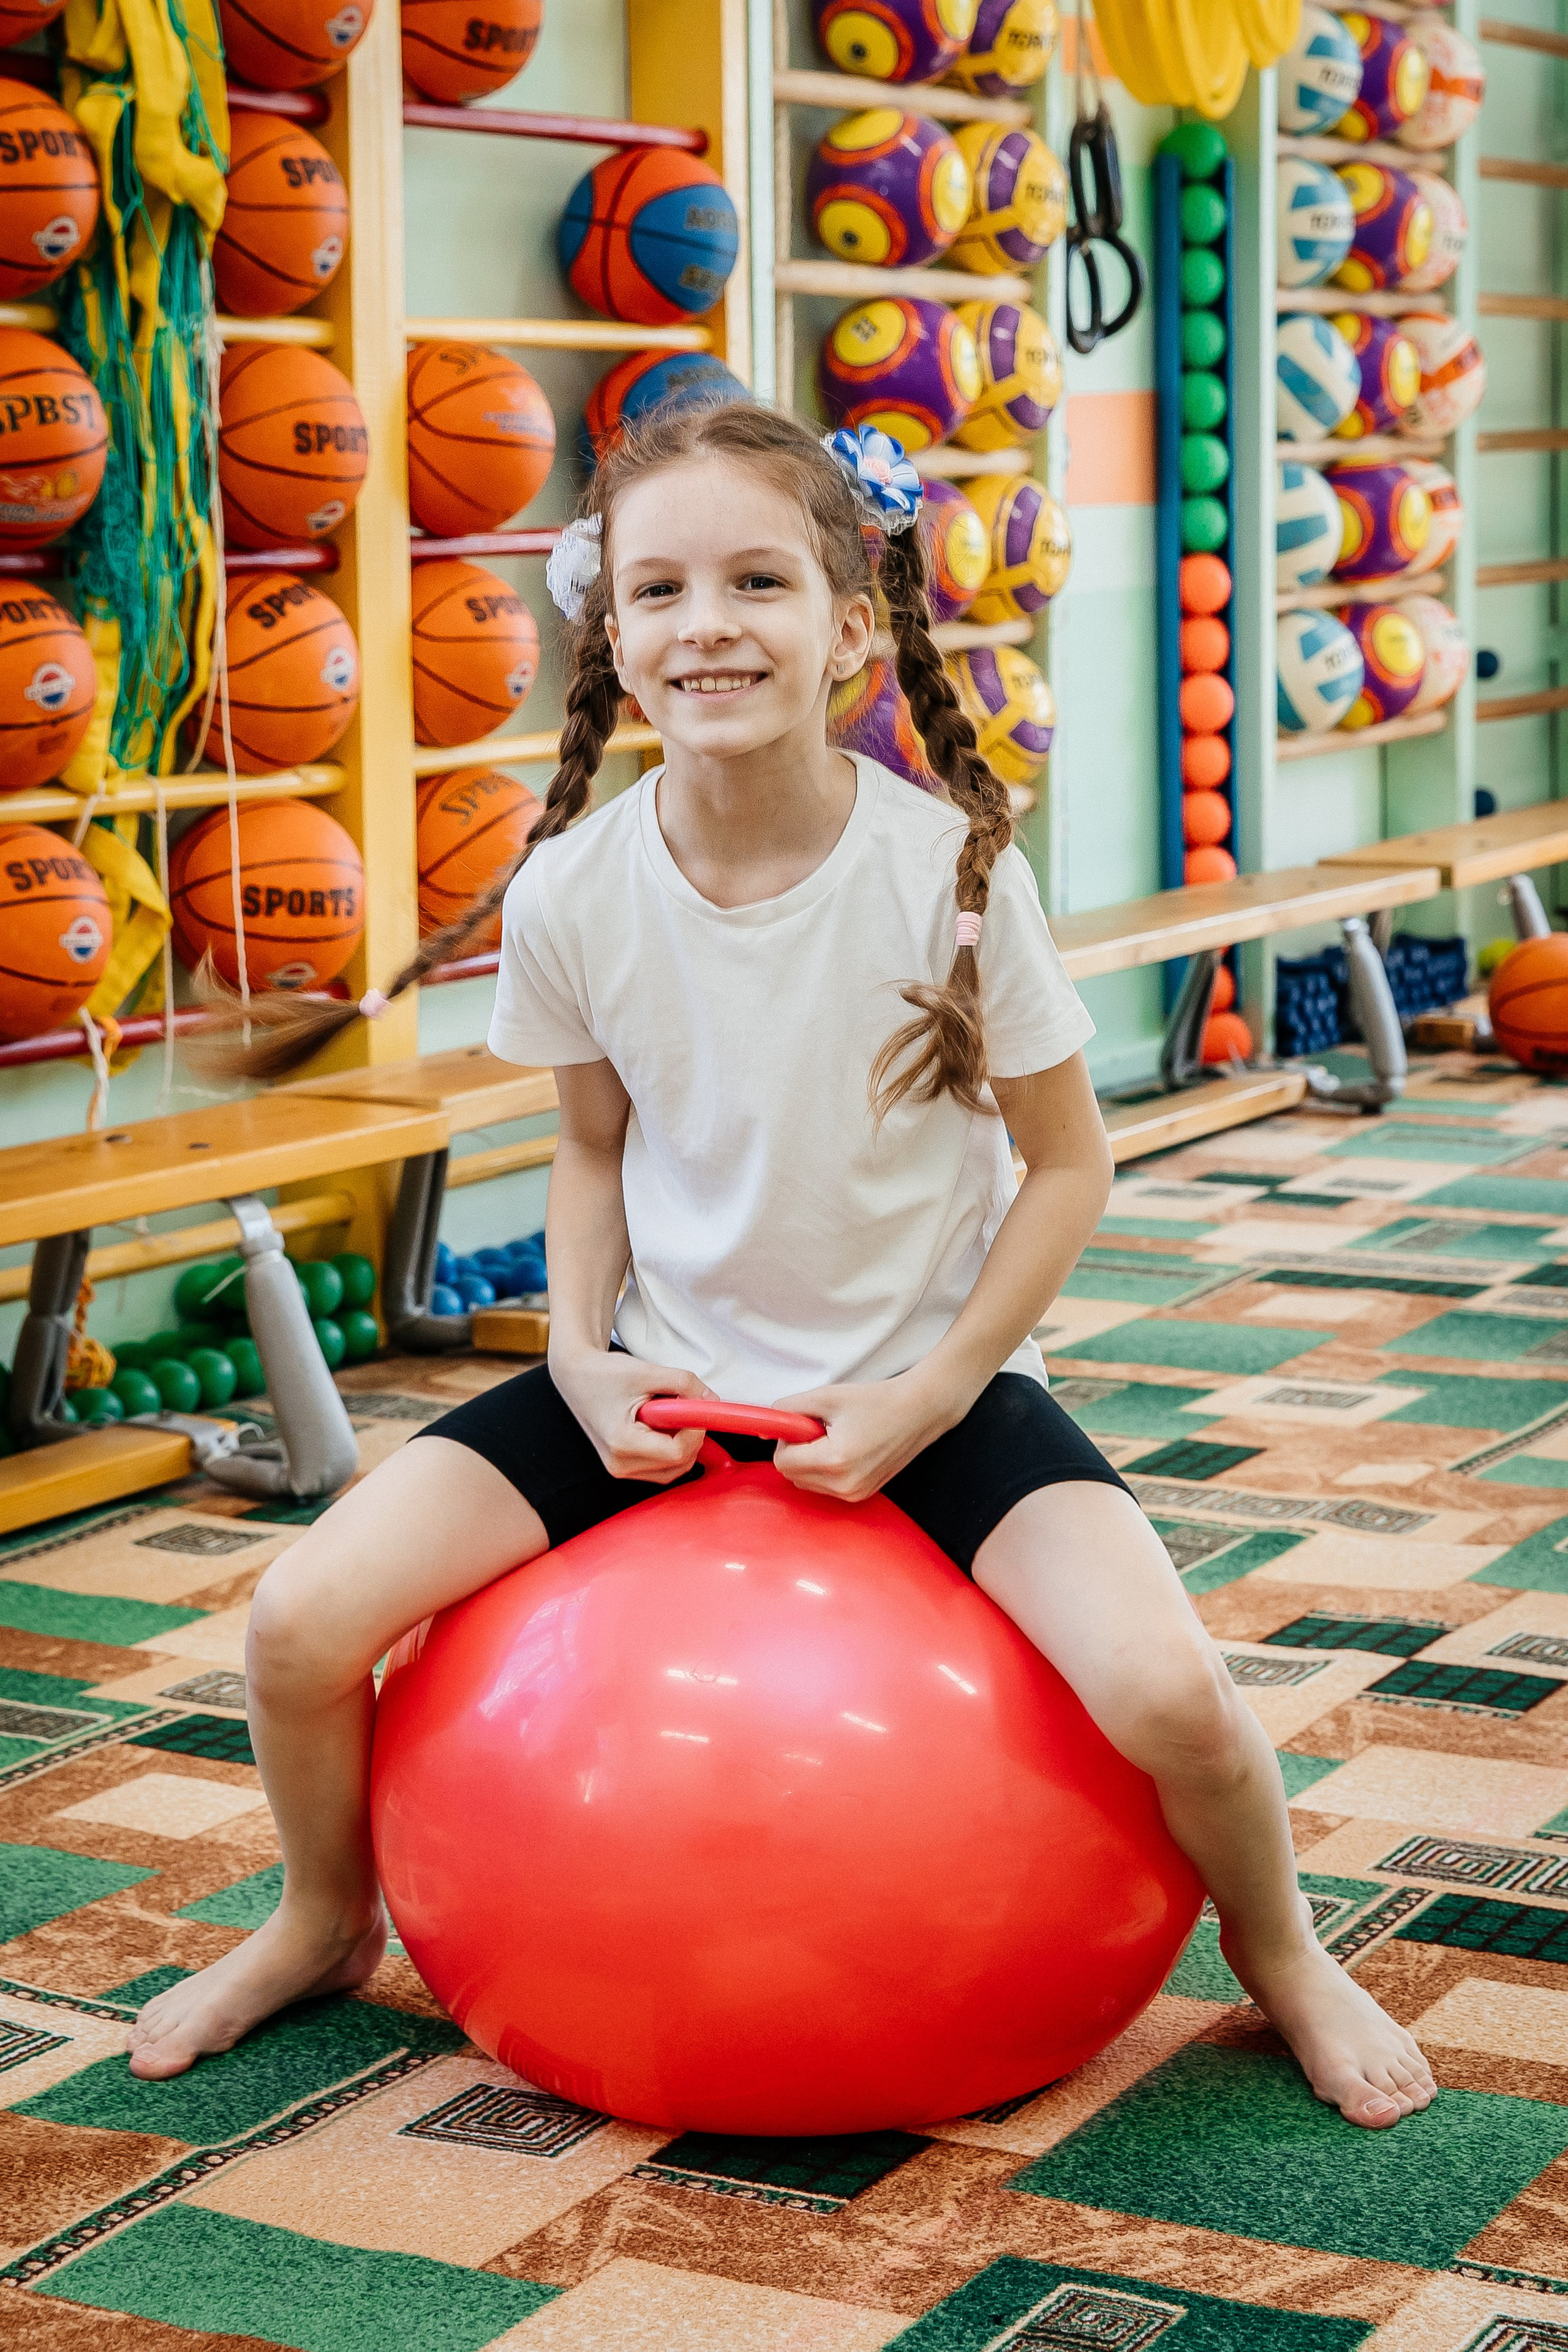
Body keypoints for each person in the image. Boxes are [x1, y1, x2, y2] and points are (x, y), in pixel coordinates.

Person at [129, 403, 1433, 2128]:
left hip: (930, 1388)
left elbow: (1067, 1160)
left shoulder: (950, 875)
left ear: (851, 628)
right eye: (659, 588)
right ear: (615, 632)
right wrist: (585, 1359)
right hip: (660, 1379)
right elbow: (590, 1148)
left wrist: (939, 1384)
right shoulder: (573, 888)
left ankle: (1281, 1949)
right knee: (299, 1621)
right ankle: (321, 1916)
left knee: (1170, 1694)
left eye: (759, 578)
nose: (708, 623)